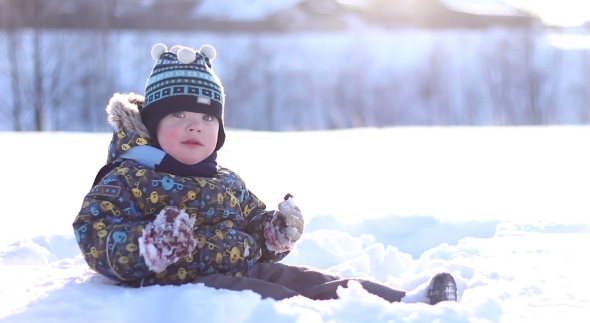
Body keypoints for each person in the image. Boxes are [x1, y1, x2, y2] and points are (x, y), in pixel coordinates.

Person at [72, 43, 457, 305]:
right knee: (282, 302)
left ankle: (403, 303)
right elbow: (95, 230)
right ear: (152, 125)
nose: (195, 127)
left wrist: (273, 232)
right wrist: (149, 245)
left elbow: (253, 220)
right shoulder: (130, 176)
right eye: (179, 116)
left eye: (207, 117)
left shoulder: (227, 180)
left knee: (313, 281)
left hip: (246, 266)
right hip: (189, 284)